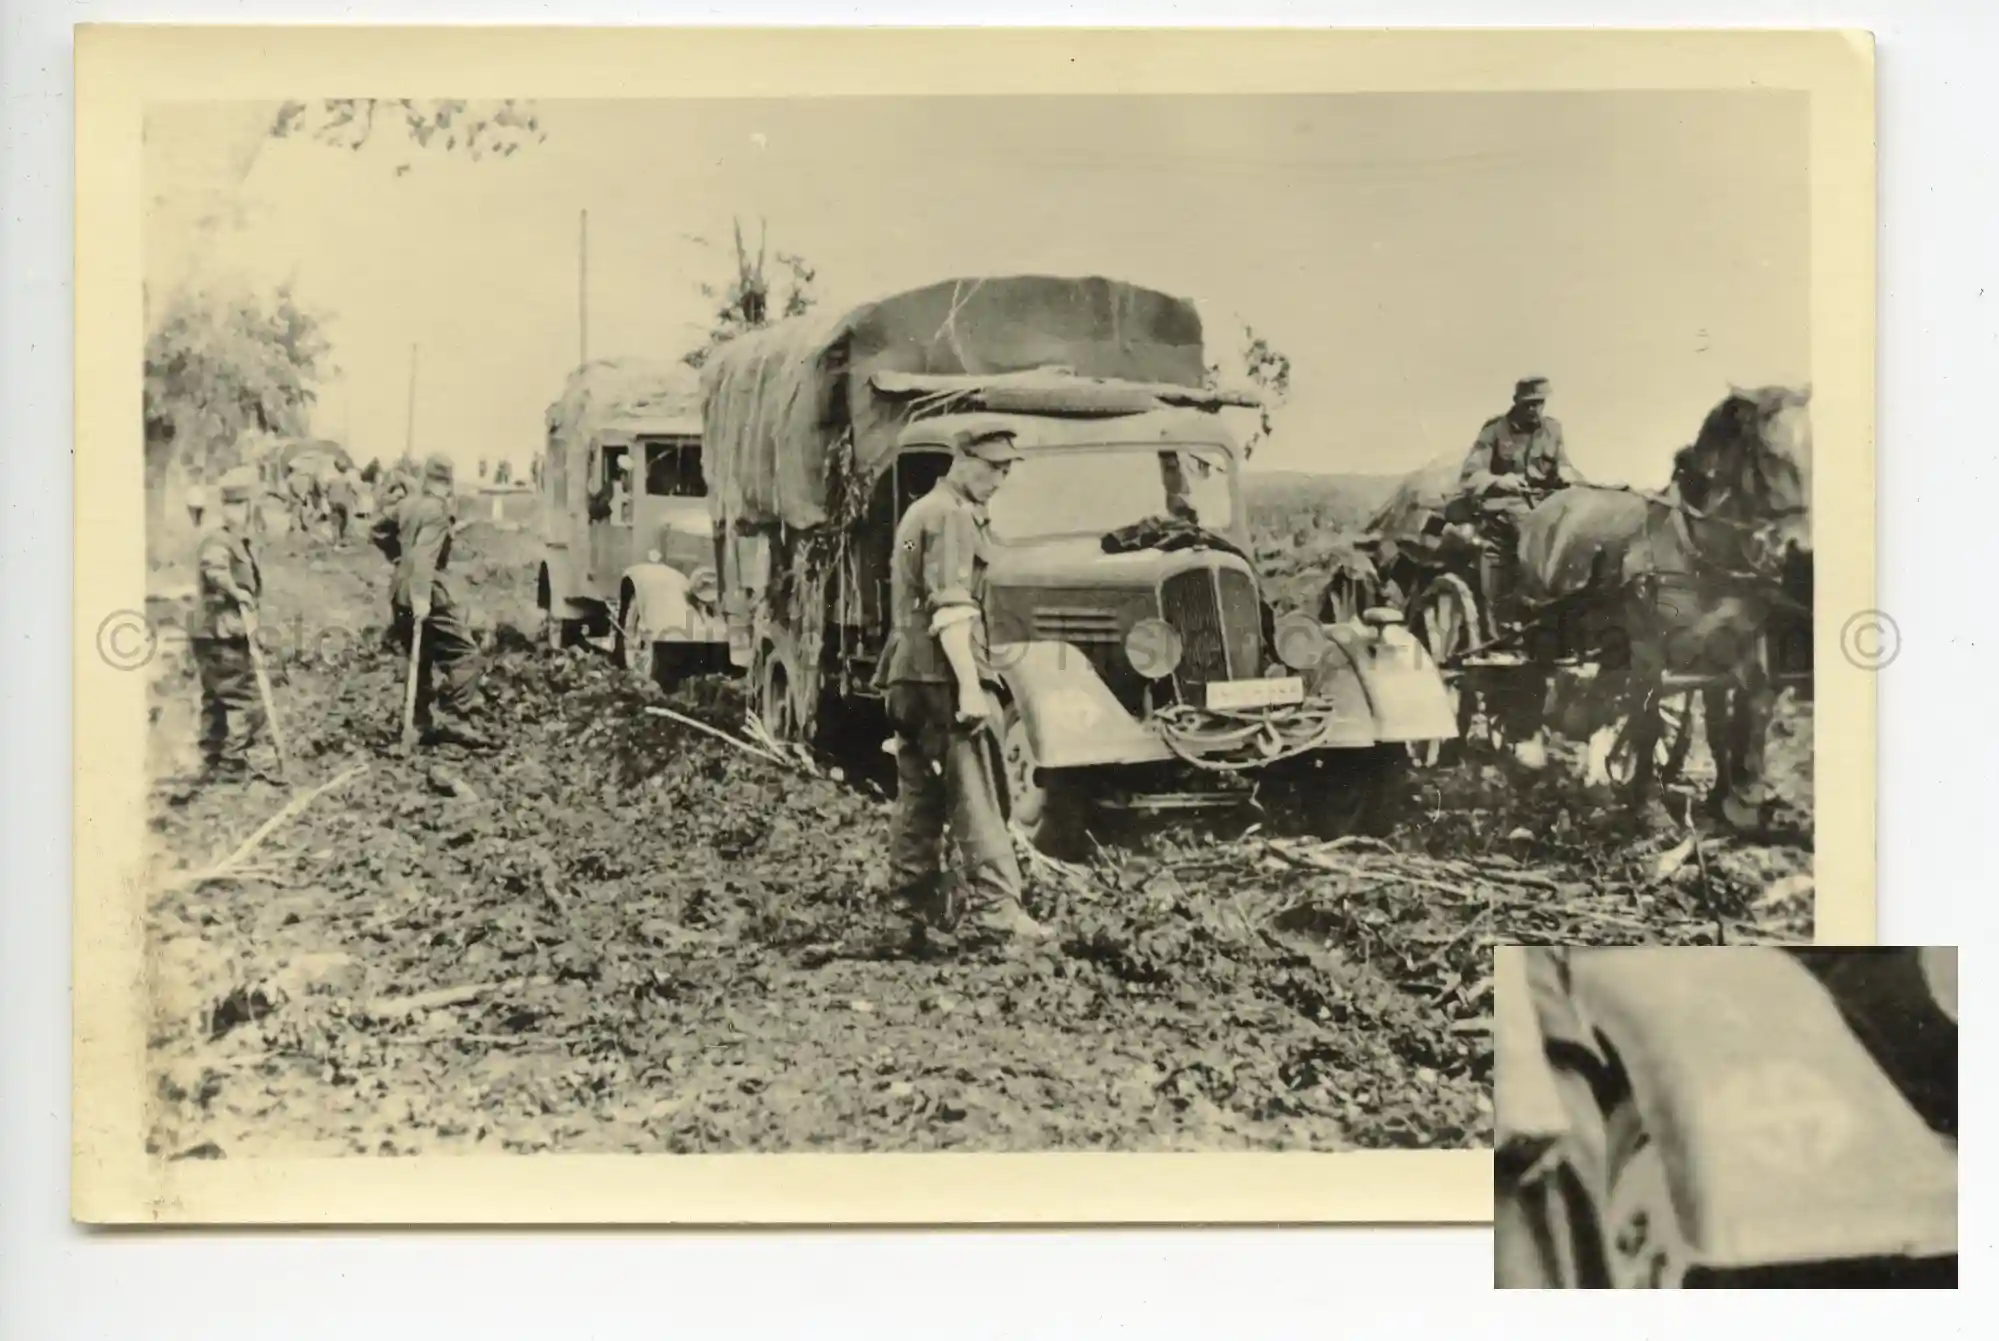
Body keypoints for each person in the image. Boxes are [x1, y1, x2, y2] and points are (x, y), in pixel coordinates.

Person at [876, 418, 1053, 949]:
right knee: (978, 791)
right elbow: (951, 609)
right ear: (967, 462)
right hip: (943, 676)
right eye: (996, 468)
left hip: (909, 676)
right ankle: (999, 913)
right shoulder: (950, 516)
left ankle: (906, 916)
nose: (1002, 480)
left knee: (921, 798)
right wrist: (971, 690)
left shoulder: (922, 511)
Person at [371, 452, 492, 749]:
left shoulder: (407, 504)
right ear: (448, 484)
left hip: (398, 590)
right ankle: (454, 716)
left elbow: (376, 530)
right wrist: (422, 597)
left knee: (421, 657)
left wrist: (399, 558)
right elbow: (425, 557)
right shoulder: (437, 512)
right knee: (467, 655)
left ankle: (419, 722)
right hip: (424, 591)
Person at [1458, 376, 1581, 623]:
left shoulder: (1552, 430)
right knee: (1532, 530)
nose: (1535, 409)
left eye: (1540, 403)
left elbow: (1563, 465)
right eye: (1529, 404)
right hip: (1503, 504)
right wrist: (1499, 480)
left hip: (1544, 502)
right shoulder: (1495, 430)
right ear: (1516, 402)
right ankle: (1518, 611)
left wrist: (1569, 475)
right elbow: (1471, 474)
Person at [185, 467, 275, 786]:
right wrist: (237, 592)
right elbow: (214, 569)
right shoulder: (219, 538)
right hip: (219, 629)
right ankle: (233, 760)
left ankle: (213, 756)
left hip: (213, 629)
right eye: (249, 506)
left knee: (216, 696)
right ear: (241, 506)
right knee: (241, 696)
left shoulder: (236, 538)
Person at [325, 464, 358, 544]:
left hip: (333, 502)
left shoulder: (332, 479)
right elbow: (350, 491)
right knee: (344, 521)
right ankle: (341, 538)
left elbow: (327, 490)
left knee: (335, 521)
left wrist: (329, 500)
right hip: (342, 503)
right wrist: (354, 498)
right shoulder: (346, 479)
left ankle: (334, 539)